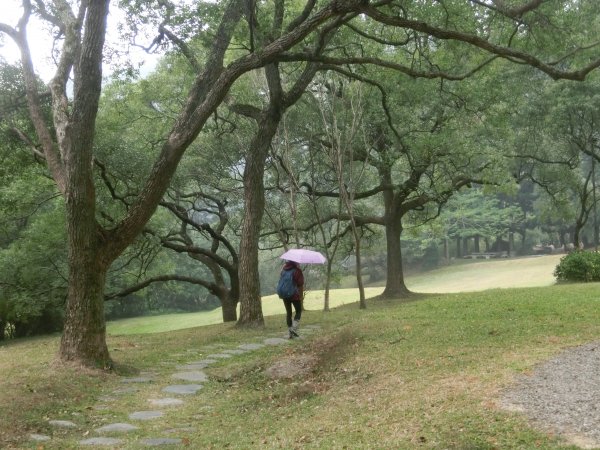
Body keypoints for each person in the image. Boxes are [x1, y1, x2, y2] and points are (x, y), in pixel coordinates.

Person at [278, 260, 304, 339]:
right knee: (298, 311)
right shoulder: (297, 271)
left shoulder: (283, 269)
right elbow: (300, 283)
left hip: (285, 294)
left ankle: (290, 333)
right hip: (294, 295)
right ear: (295, 262)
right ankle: (294, 328)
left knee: (288, 313)